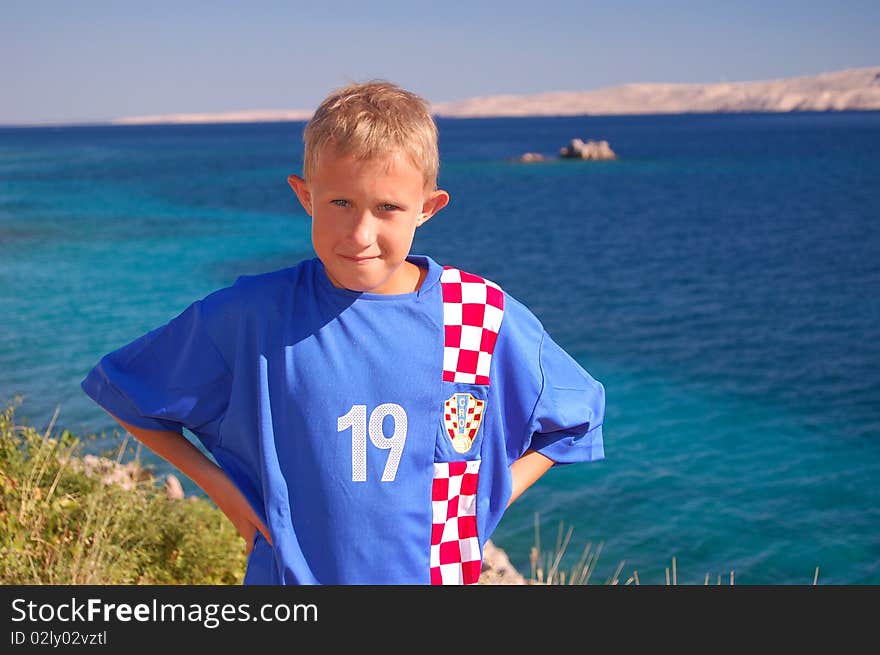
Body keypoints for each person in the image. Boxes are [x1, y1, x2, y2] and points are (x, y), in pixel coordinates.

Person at [80, 80, 605, 585]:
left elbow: (576, 416)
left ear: (427, 207)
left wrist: (487, 496)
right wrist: (223, 491)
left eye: (387, 208)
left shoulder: (477, 315)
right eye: (340, 203)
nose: (360, 234)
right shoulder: (257, 315)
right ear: (305, 195)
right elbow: (125, 390)